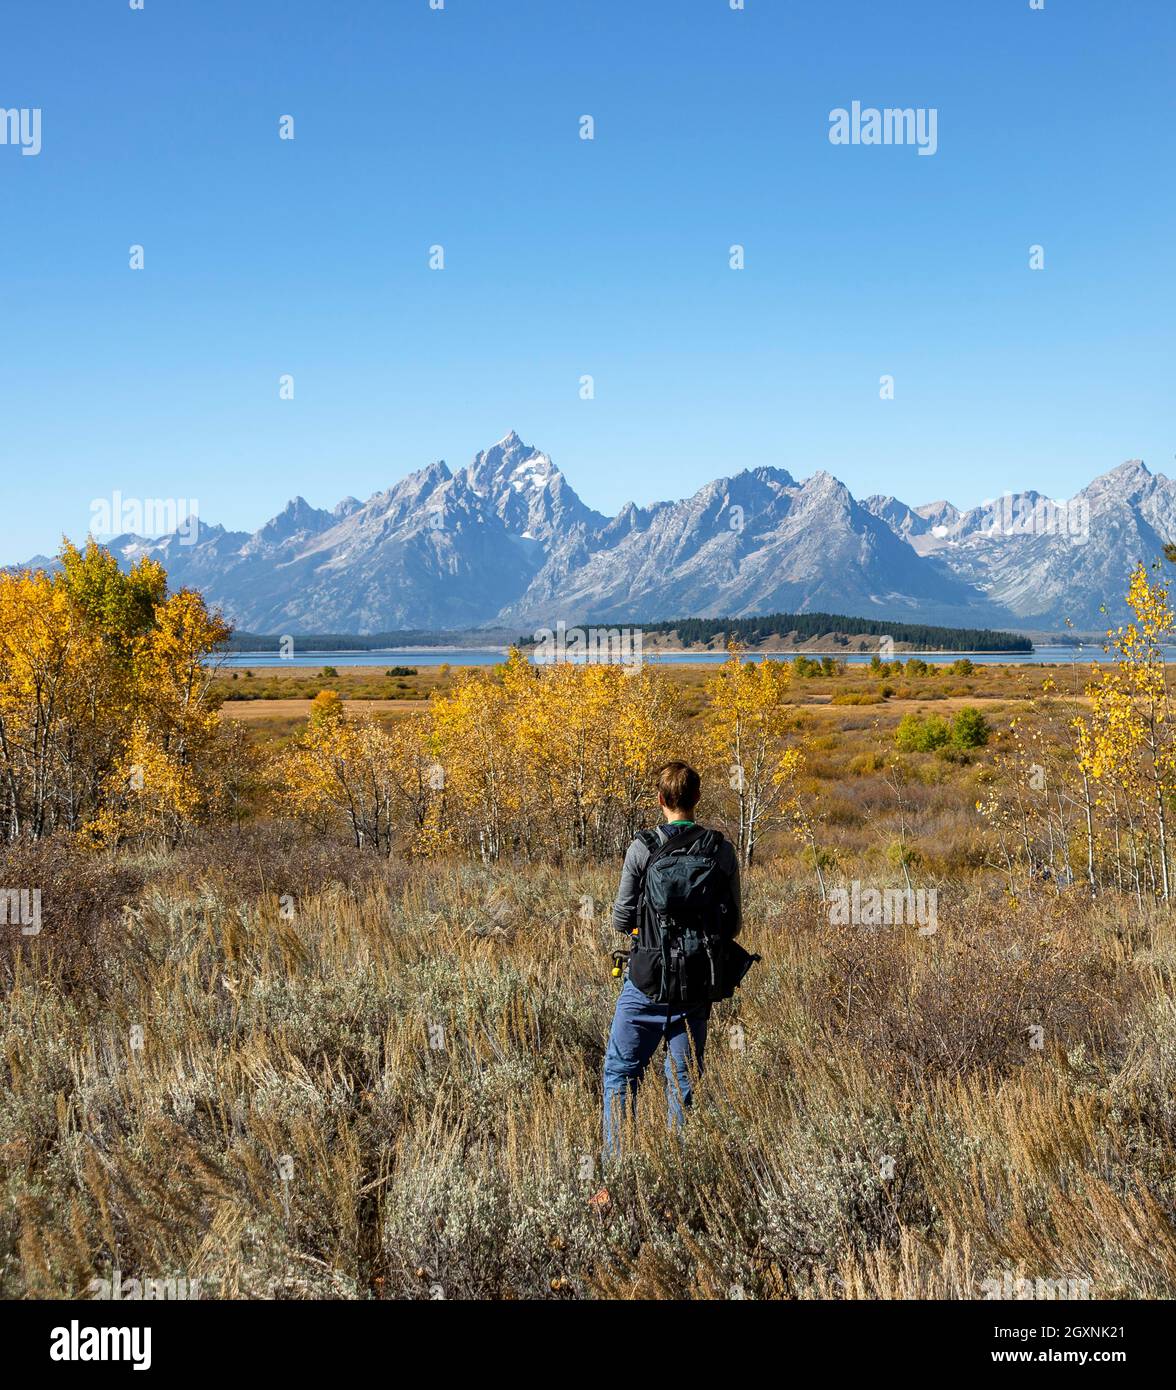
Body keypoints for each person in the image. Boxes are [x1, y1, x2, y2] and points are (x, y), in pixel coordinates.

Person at [597, 761, 742, 1183]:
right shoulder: (720, 849)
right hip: (696, 986)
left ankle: (619, 1175)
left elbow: (622, 919)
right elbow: (732, 924)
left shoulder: (642, 848)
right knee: (683, 1084)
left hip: (645, 983)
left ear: (660, 800)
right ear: (697, 798)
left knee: (621, 1075)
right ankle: (682, 1180)